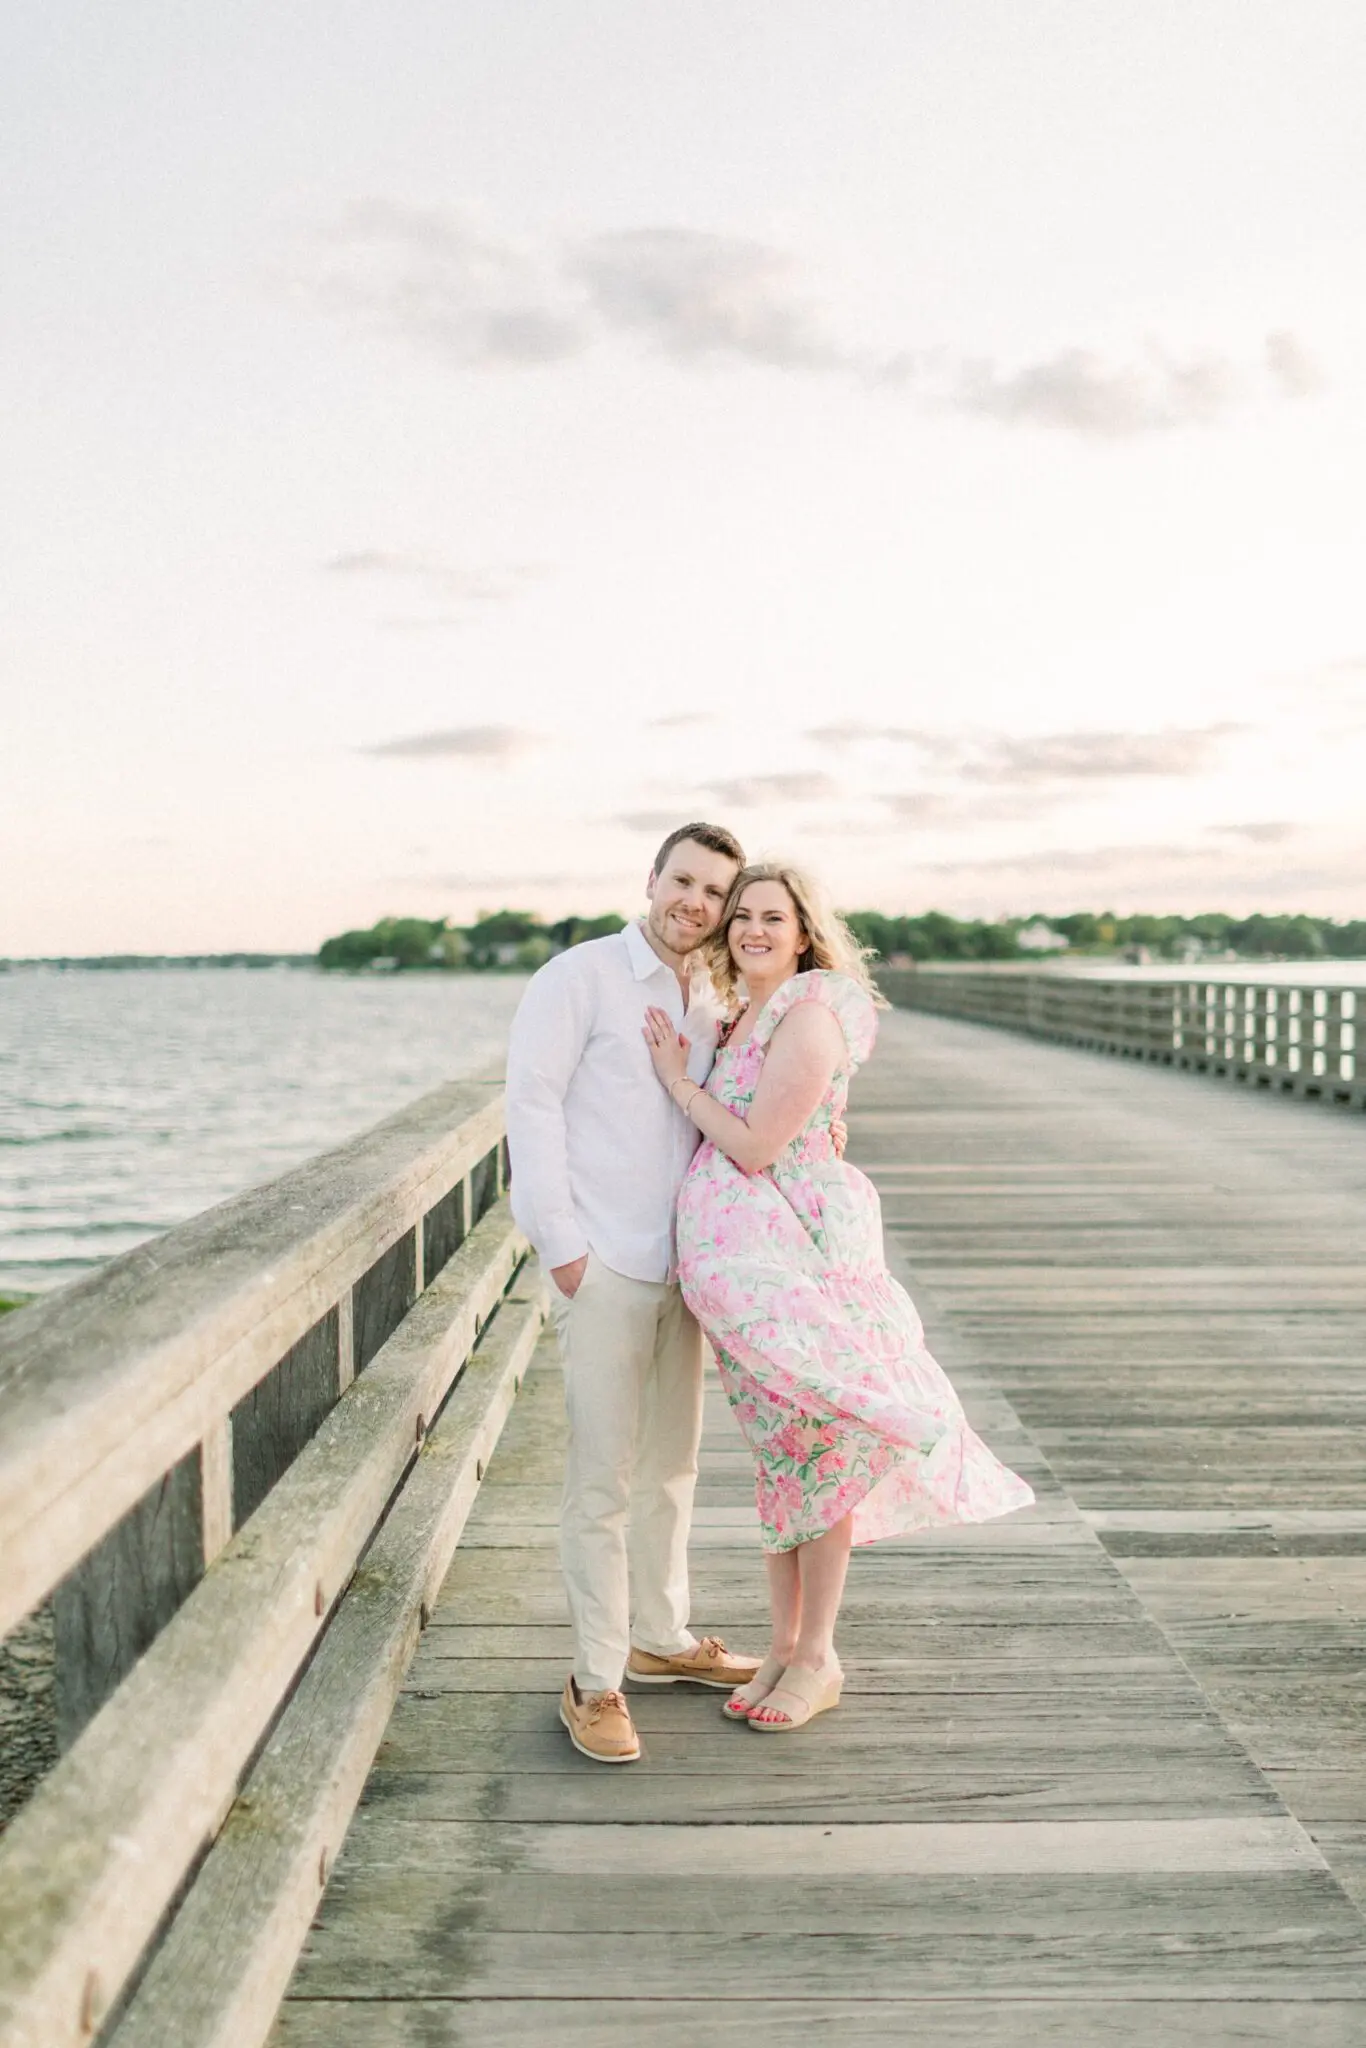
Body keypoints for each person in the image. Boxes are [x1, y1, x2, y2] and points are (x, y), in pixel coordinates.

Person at [642, 861, 1035, 1732]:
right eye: (740, 915)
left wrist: (677, 1081)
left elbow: (754, 1145)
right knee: (785, 1460)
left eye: (771, 918)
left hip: (801, 1270)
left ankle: (817, 1654)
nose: (751, 930)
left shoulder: (810, 1015)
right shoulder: (747, 1015)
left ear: (804, 931)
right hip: (751, 1286)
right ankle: (782, 1645)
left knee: (820, 1451)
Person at [505, 822, 763, 1765]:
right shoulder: (578, 978)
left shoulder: (714, 993)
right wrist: (564, 1248)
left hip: (683, 1265)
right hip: (605, 1260)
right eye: (682, 881)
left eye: (713, 893)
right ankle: (596, 1676)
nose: (695, 903)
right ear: (651, 880)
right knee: (602, 1481)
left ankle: (660, 1634)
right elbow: (530, 1106)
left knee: (672, 1467)